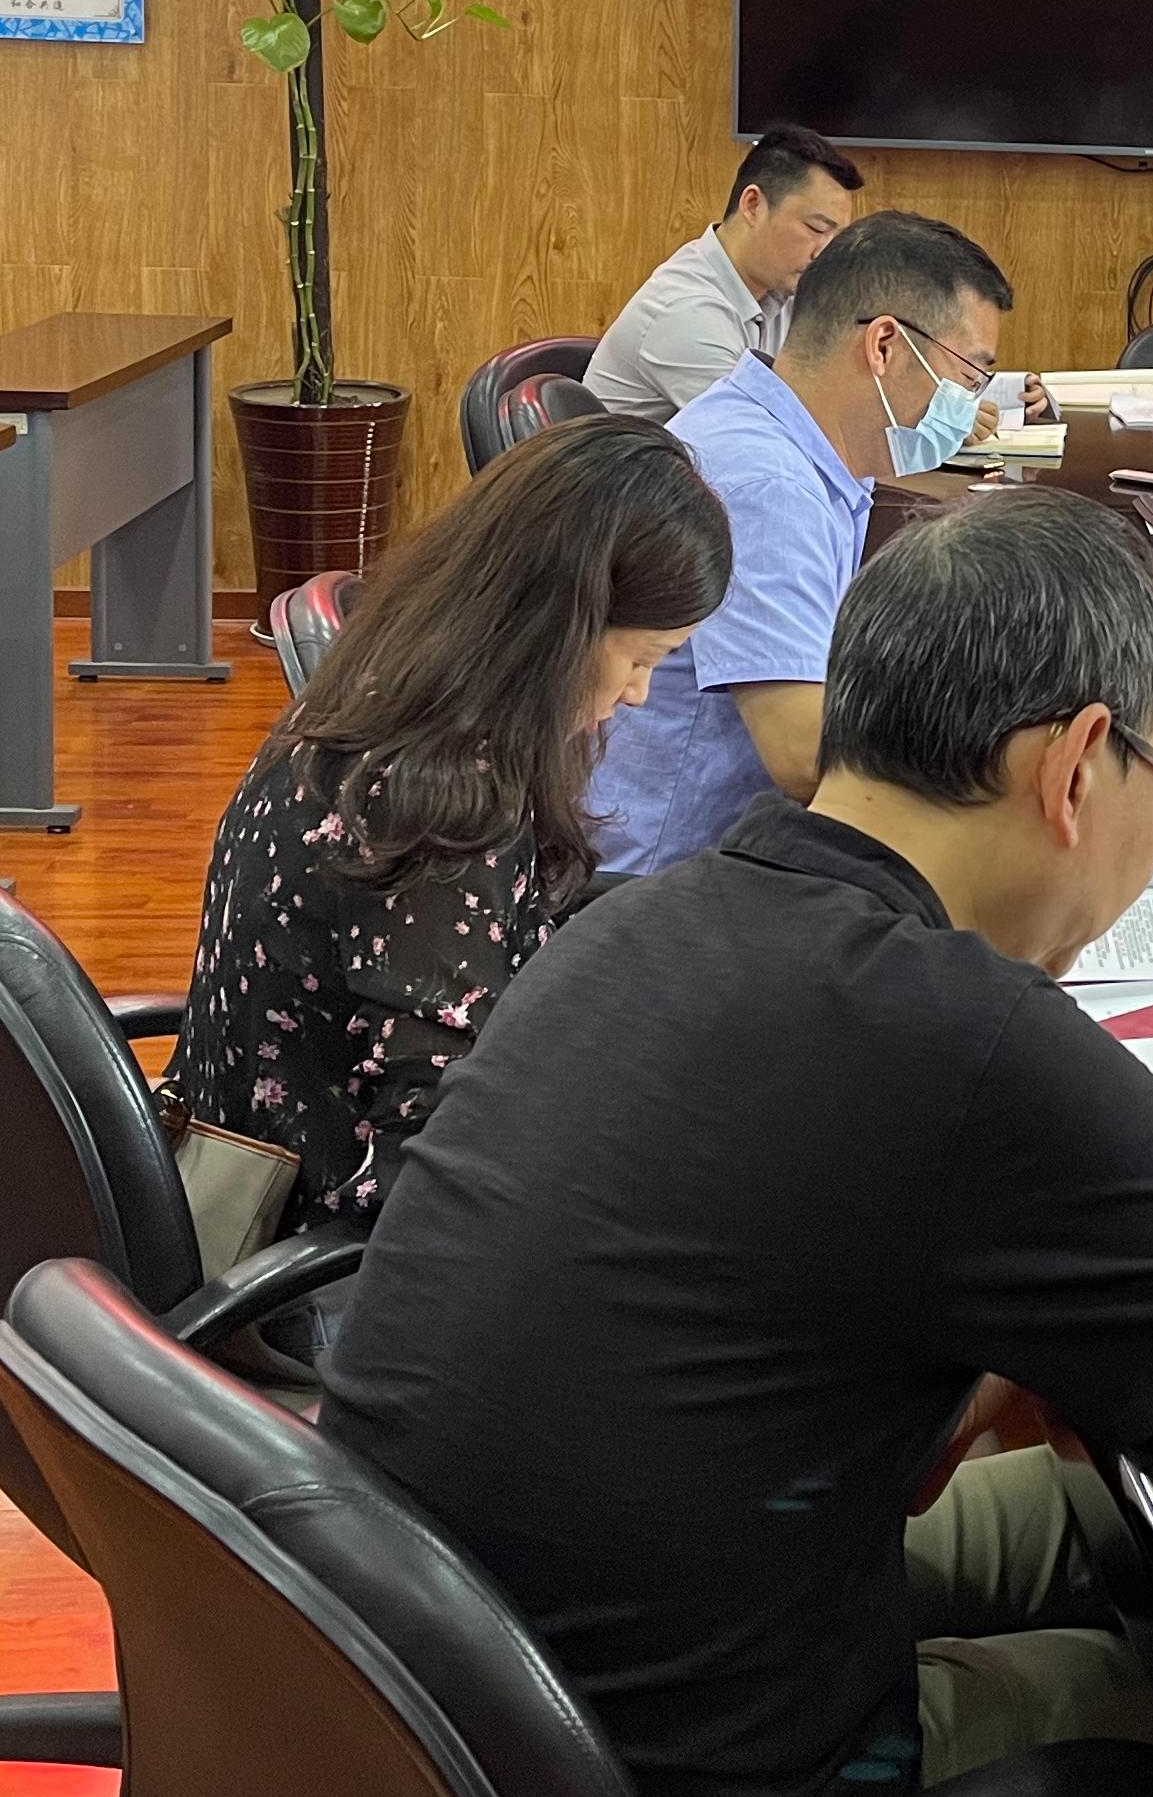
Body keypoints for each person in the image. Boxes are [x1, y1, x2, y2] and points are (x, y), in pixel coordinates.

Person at [319, 490, 1153, 1797]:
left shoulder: (644, 921)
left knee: (1115, 1518)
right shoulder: (966, 1045)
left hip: (451, 1740)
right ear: (1078, 766)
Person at [166, 416, 731, 1227]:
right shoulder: (438, 804)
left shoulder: (386, 686)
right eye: (641, 658)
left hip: (262, 1166)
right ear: (559, 628)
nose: (638, 692)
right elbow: (436, 1147)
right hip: (331, 1241)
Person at [591, 210, 1016, 881]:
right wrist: (1009, 760)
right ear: (884, 346)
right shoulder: (768, 484)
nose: (968, 403)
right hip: (659, 878)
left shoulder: (792, 441)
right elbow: (803, 755)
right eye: (969, 375)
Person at [584, 122, 867, 423]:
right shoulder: (685, 312)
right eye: (816, 229)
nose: (824, 253)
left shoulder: (781, 291)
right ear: (753, 205)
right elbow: (758, 436)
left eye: (835, 238)